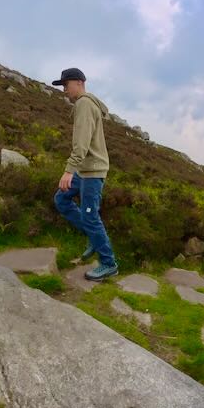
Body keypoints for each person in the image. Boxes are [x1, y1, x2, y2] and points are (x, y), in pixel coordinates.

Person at [52, 67, 118, 281]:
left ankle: (109, 264)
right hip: (85, 169)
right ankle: (92, 237)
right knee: (62, 199)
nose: (64, 90)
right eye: (62, 86)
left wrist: (68, 171)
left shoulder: (84, 104)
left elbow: (81, 143)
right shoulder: (85, 104)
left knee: (91, 216)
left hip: (91, 171)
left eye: (66, 84)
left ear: (79, 82)